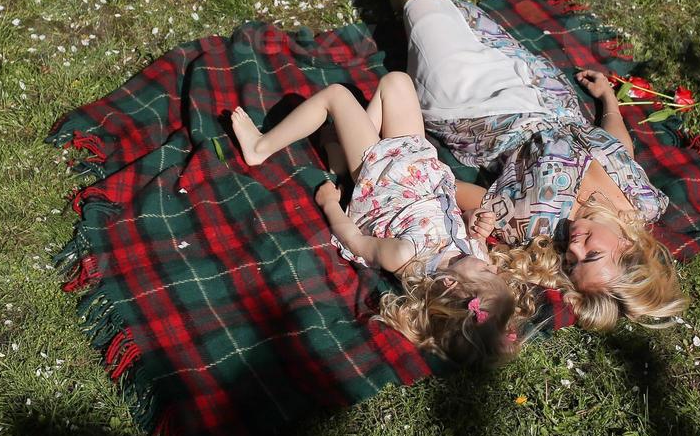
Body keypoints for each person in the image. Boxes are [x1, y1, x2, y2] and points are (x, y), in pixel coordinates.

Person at [359, 0, 688, 332]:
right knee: (446, 13)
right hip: (539, 89)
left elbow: (446, 186)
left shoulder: (539, 223)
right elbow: (619, 147)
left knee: (425, 3)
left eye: (573, 263)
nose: (574, 247)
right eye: (591, 254)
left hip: (473, 104)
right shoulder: (642, 205)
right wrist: (609, 99)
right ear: (631, 245)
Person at [231, 72, 548, 366]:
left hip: (380, 175)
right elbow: (457, 223)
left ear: (452, 284)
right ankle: (341, 149)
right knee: (396, 82)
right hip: (420, 165)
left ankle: (260, 147)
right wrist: (474, 222)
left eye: (486, 270)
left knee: (337, 96)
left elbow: (355, 240)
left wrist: (331, 205)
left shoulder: (406, 254)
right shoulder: (472, 256)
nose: (491, 263)